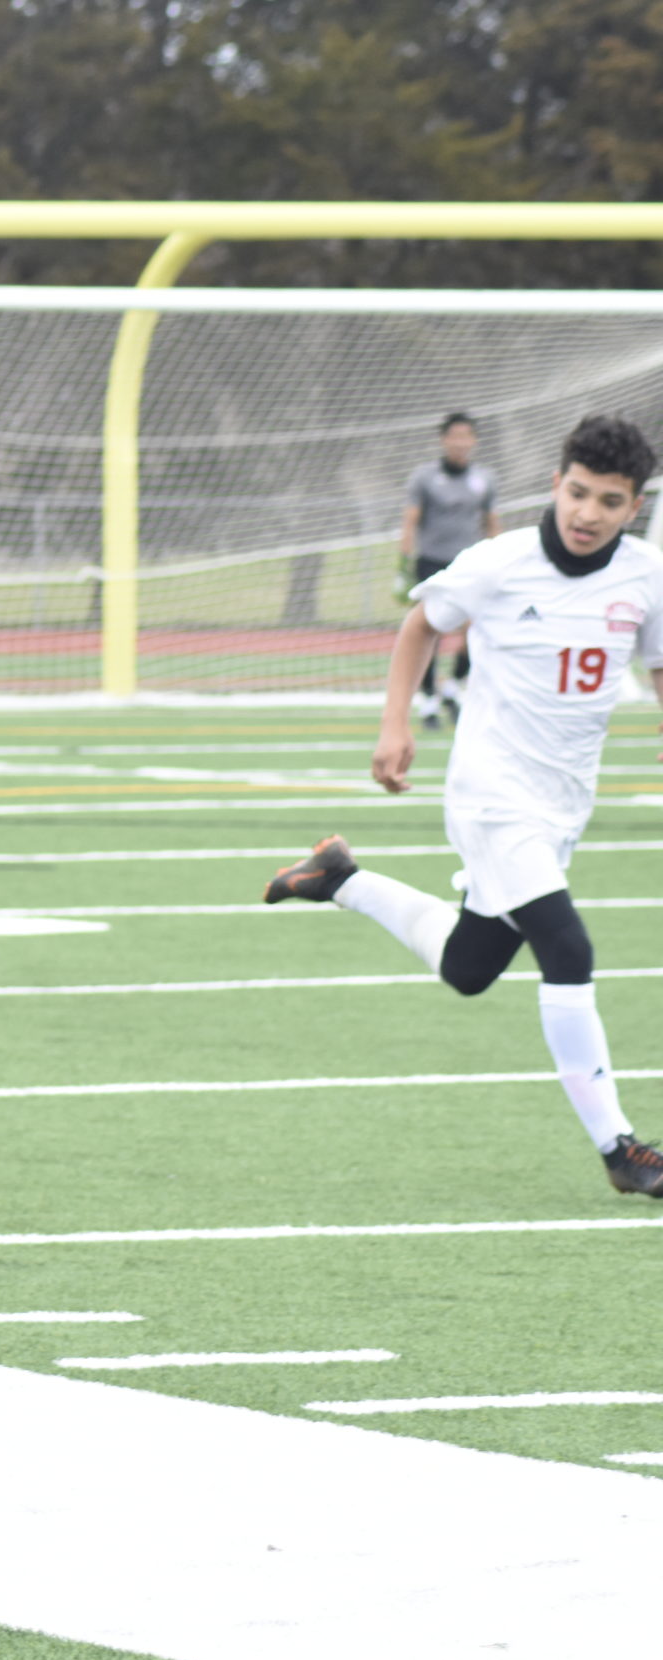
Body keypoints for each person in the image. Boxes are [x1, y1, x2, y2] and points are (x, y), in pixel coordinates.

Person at [266, 415, 663, 1198]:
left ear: (633, 505)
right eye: (577, 492)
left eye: (608, 501)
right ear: (555, 484)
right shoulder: (499, 563)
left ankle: (339, 877)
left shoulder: (648, 574)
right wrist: (394, 724)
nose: (587, 513)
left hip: (562, 803)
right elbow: (420, 624)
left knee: (470, 966)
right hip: (491, 793)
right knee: (569, 950)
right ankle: (621, 1149)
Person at [401, 412, 501, 728]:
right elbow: (411, 520)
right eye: (454, 436)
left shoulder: (484, 479)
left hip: (470, 565)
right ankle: (429, 700)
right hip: (431, 561)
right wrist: (403, 565)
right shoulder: (425, 478)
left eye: (466, 436)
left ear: (473, 440)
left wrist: (499, 557)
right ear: (444, 440)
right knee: (428, 630)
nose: (460, 442)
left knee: (477, 628)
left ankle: (452, 686)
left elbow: (491, 522)